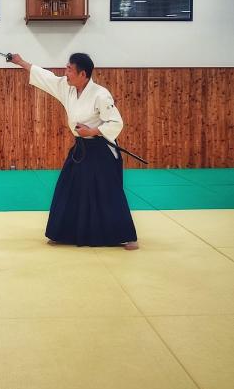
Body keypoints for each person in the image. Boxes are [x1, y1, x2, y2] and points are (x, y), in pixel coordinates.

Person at [10, 52, 138, 250]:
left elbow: (116, 122)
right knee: (68, 187)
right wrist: (20, 62)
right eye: (67, 68)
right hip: (81, 148)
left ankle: (126, 236)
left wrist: (92, 130)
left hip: (101, 148)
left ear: (83, 74)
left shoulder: (100, 94)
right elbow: (46, 77)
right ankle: (63, 232)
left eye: (70, 69)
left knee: (108, 191)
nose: (66, 72)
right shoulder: (67, 88)